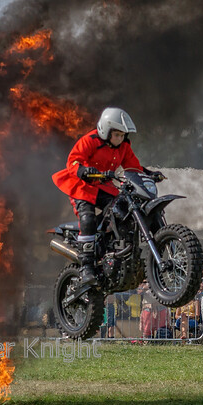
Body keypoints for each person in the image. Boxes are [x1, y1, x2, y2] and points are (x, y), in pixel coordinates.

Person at [51, 107, 164, 284]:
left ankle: (115, 251)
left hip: (105, 186)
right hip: (82, 185)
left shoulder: (124, 147)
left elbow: (133, 167)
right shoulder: (90, 140)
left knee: (122, 212)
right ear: (106, 130)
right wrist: (84, 170)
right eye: (117, 134)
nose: (120, 138)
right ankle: (87, 266)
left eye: (122, 135)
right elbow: (73, 160)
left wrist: (149, 174)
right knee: (87, 218)